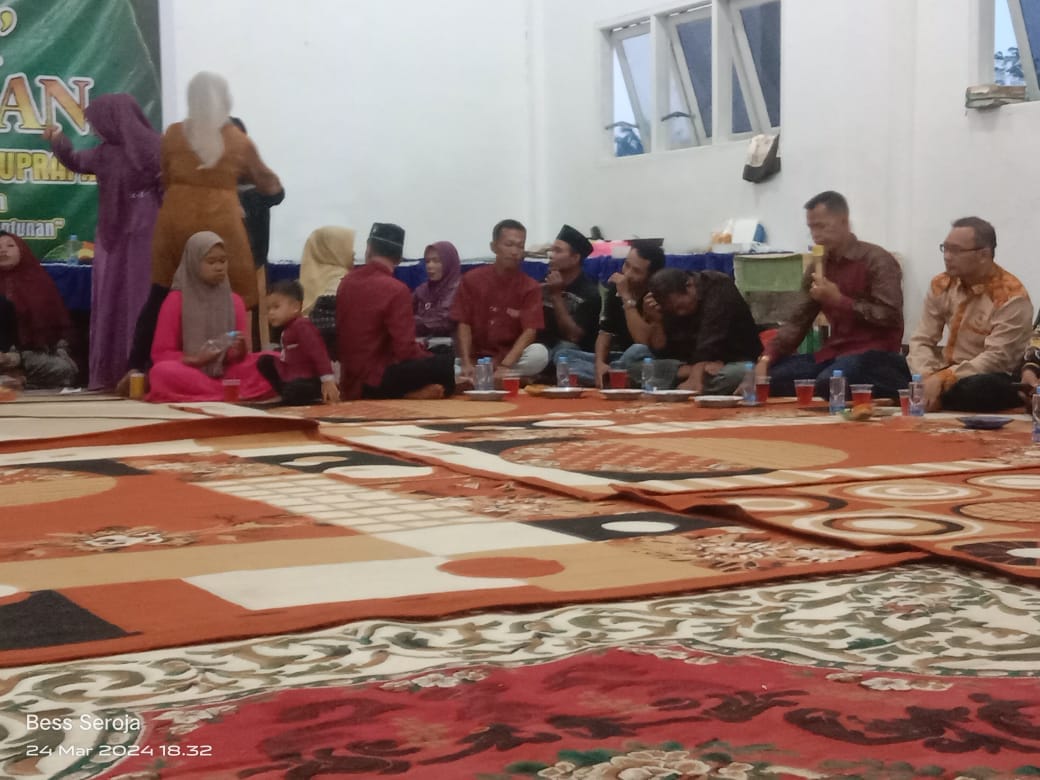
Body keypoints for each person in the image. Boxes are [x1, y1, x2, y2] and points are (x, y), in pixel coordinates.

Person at [125, 72, 282, 388]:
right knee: (237, 298)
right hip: (221, 223)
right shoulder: (239, 140)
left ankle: (135, 369)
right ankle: (232, 370)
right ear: (225, 100)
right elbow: (270, 186)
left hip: (174, 222)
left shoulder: (172, 134)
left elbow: (166, 176)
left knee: (160, 295)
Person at [44, 93, 162, 391]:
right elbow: (75, 160)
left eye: (96, 123)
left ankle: (131, 369)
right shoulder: (126, 151)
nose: (94, 130)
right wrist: (58, 140)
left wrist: (59, 140)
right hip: (131, 231)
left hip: (137, 232)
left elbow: (74, 159)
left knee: (133, 297)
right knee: (129, 296)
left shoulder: (153, 150)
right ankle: (133, 371)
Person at [758, 191, 909, 399]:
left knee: (830, 382)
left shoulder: (877, 260)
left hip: (875, 356)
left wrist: (840, 301)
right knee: (770, 379)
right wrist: (766, 358)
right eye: (811, 228)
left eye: (822, 226)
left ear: (844, 222)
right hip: (834, 353)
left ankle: (894, 388)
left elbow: (890, 315)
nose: (816, 235)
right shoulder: (819, 265)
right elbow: (798, 320)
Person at [908, 217, 1032, 412]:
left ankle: (930, 398)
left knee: (980, 387)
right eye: (945, 248)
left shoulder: (1011, 296)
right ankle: (931, 396)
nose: (947, 257)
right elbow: (922, 339)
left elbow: (997, 359)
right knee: (870, 363)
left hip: (985, 375)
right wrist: (924, 376)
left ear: (984, 254)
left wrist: (943, 378)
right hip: (940, 369)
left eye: (956, 250)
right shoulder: (941, 284)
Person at [146, 232, 273, 403]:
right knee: (161, 372)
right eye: (211, 262)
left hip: (227, 372)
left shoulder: (234, 301)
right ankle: (229, 392)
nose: (219, 267)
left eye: (223, 261)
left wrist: (240, 350)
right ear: (194, 263)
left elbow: (239, 358)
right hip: (190, 371)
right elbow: (161, 354)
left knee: (271, 359)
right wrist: (196, 359)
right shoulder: (176, 300)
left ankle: (221, 391)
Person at [336, 223, 455, 400]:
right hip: (376, 380)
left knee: (435, 355)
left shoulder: (346, 282)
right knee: (444, 363)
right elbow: (405, 350)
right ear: (399, 258)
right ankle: (407, 394)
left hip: (349, 379)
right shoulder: (396, 289)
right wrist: (427, 355)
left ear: (369, 249)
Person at [555, 241, 665, 387]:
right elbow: (605, 333)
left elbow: (643, 342)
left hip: (645, 360)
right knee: (563, 355)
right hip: (620, 359)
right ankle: (611, 377)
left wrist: (626, 298)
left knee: (638, 350)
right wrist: (599, 364)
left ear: (651, 276)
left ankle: (612, 377)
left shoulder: (656, 297)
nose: (627, 274)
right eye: (626, 265)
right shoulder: (616, 289)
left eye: (636, 271)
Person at [451, 219, 548, 382]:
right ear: (493, 247)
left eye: (520, 246)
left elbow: (530, 331)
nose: (515, 252)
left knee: (539, 354)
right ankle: (510, 379)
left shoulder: (530, 286)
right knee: (447, 368)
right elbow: (463, 323)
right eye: (509, 245)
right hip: (476, 360)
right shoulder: (471, 279)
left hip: (509, 358)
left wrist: (505, 366)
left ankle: (493, 378)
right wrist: (467, 363)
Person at [648, 267, 762, 393]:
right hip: (691, 364)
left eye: (680, 307)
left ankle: (670, 383)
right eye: (673, 311)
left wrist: (695, 376)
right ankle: (681, 379)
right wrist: (656, 321)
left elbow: (710, 341)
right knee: (637, 361)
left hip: (732, 362)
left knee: (735, 375)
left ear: (689, 285)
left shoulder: (718, 285)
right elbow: (661, 352)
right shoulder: (668, 304)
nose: (679, 314)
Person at [0, 232, 79, 389]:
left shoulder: (40, 282)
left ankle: (19, 380)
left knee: (64, 369)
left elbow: (57, 334)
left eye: (10, 245)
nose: (3, 250)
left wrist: (16, 358)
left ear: (22, 250)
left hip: (27, 357)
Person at [256, 280, 339, 405]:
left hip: (308, 380)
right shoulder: (287, 328)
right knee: (264, 361)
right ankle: (285, 393)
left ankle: (299, 395)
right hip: (291, 377)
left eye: (276, 307)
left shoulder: (302, 325)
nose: (271, 313)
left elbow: (318, 352)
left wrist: (327, 380)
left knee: (296, 389)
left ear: (295, 307)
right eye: (269, 309)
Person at [538, 225, 601, 358]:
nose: (551, 256)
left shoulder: (590, 293)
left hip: (573, 351)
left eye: (558, 251)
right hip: (543, 346)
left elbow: (573, 337)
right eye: (551, 250)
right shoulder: (544, 281)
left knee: (564, 351)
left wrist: (556, 296)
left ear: (575, 258)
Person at [299, 226, 356, 357]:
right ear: (333, 250)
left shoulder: (305, 278)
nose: (353, 253)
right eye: (346, 246)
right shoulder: (342, 281)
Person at [413, 240, 462, 343]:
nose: (430, 266)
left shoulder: (461, 289)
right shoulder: (422, 290)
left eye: (436, 261)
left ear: (449, 262)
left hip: (451, 349)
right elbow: (402, 312)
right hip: (422, 346)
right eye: (427, 261)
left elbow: (445, 321)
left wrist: (410, 321)